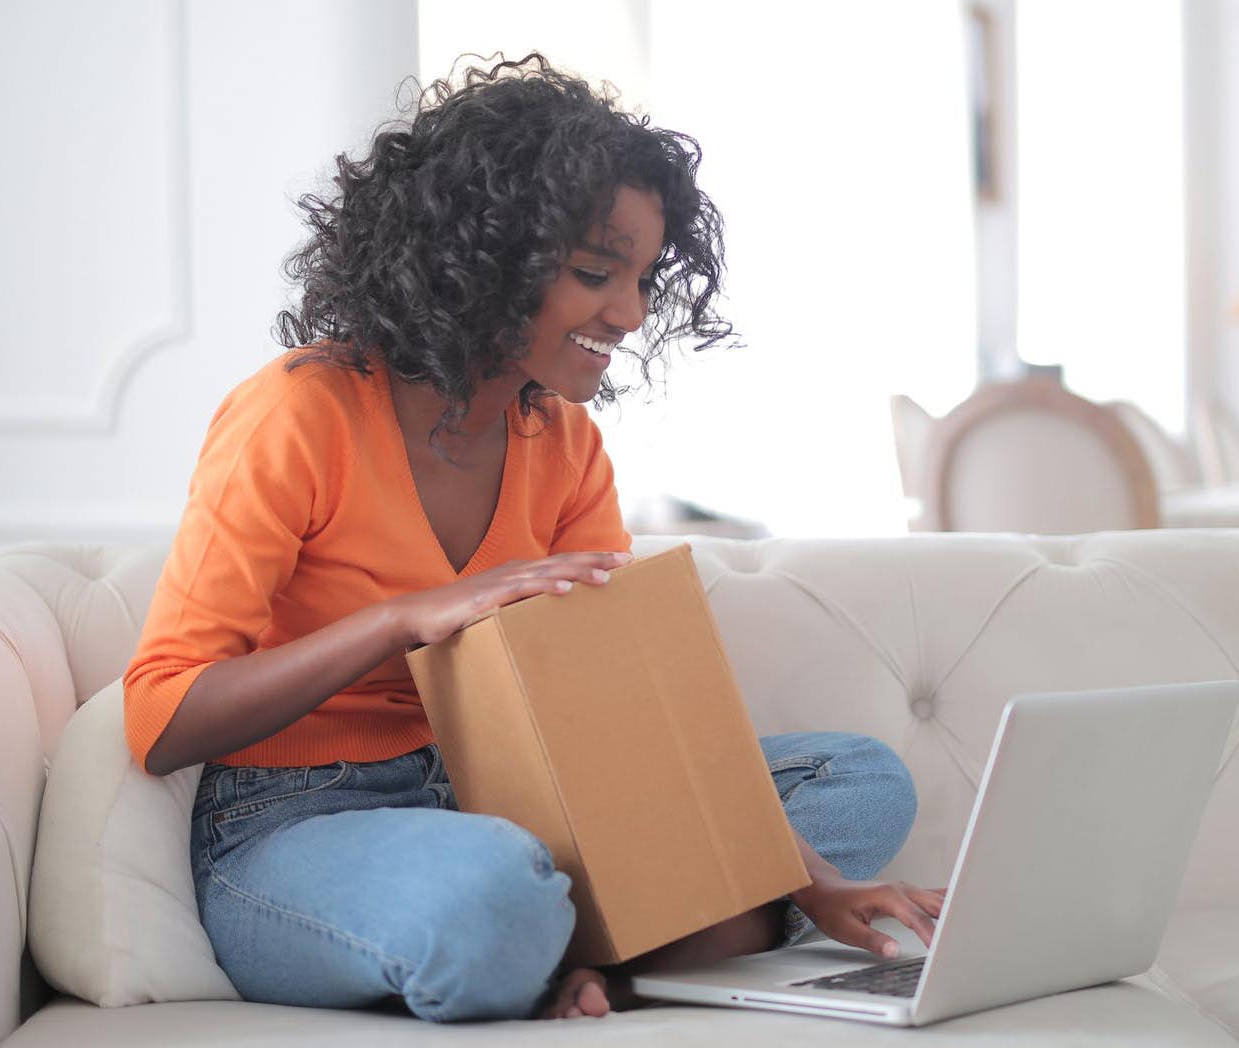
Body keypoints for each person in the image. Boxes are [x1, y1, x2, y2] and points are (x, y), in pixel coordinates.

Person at [123, 52, 943, 1024]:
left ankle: (593, 973)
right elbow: (166, 718)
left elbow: (625, 710)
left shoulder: (563, 442)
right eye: (598, 273)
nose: (631, 314)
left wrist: (813, 884)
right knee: (490, 893)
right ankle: (619, 946)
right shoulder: (299, 413)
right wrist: (405, 619)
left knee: (857, 780)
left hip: (502, 799)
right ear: (481, 254)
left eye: (643, 278)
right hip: (296, 821)